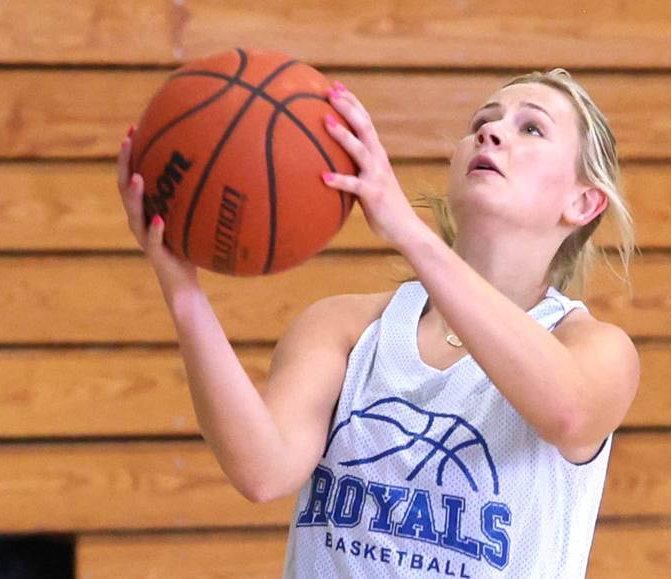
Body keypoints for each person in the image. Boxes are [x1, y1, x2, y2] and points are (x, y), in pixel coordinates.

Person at [117, 68, 640, 578]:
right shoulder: (344, 327)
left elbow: (568, 412)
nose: (491, 131)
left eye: (531, 128)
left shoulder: (595, 349)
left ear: (583, 201)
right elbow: (261, 471)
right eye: (483, 120)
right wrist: (184, 294)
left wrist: (408, 233)